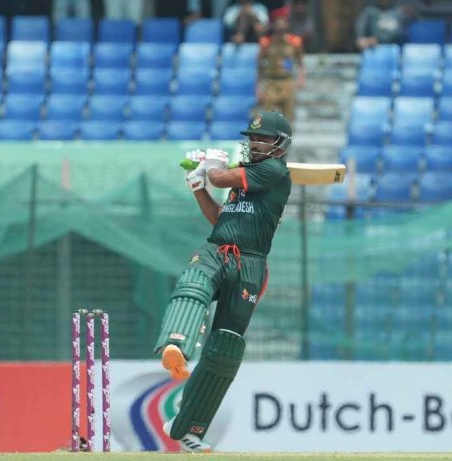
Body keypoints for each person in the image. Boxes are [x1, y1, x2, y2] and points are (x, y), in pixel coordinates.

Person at [155, 110, 293, 452]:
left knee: (225, 349)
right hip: (218, 250)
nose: (255, 143)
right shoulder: (246, 176)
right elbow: (219, 217)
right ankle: (177, 345)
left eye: (263, 138)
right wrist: (197, 185)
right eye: (252, 138)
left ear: (279, 144)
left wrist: (211, 167)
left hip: (250, 264)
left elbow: (219, 179)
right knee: (194, 282)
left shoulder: (274, 171)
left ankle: (189, 428)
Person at [257, 14, 304, 122]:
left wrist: (301, 78)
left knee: (288, 117)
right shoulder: (266, 42)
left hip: (287, 81)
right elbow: (260, 65)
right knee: (268, 117)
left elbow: (301, 62)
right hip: (271, 82)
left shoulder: (294, 42)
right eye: (278, 25)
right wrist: (258, 87)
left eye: (283, 24)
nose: (280, 28)